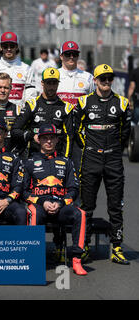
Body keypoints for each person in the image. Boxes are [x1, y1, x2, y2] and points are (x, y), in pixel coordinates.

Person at [74, 64, 131, 265]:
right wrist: (88, 147)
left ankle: (116, 247)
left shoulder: (122, 103)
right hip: (91, 159)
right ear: (95, 80)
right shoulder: (83, 102)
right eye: (102, 79)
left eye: (109, 79)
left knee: (116, 206)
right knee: (86, 206)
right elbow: (76, 129)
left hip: (113, 160)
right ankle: (85, 245)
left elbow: (125, 133)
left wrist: (115, 148)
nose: (106, 82)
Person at [22, 123, 87, 276]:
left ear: (57, 140)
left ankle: (77, 260)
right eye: (45, 138)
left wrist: (61, 203)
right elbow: (24, 192)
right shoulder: (29, 163)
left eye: (52, 138)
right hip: (39, 205)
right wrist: (41, 202)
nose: (49, 141)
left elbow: (73, 190)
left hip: (61, 204)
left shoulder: (67, 162)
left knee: (81, 214)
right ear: (39, 140)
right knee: (32, 212)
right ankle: (32, 259)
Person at [11, 67, 74, 158]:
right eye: (48, 83)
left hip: (57, 158)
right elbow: (15, 130)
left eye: (54, 83)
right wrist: (31, 136)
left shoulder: (66, 107)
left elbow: (69, 138)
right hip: (34, 157)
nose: (51, 87)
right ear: (42, 83)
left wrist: (65, 160)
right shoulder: (32, 105)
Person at [0, 31, 36, 107]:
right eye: (5, 46)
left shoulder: (27, 69)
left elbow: (31, 98)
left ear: (17, 47)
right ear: (1, 47)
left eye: (12, 46)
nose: (9, 49)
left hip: (20, 116)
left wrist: (24, 116)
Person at [56, 41, 95, 106]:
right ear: (61, 56)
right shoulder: (54, 76)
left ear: (78, 56)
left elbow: (92, 101)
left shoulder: (88, 77)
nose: (71, 57)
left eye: (74, 54)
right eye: (68, 54)